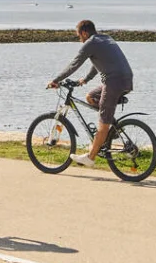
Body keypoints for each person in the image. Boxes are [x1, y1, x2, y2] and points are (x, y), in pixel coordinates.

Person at [47, 20, 133, 168]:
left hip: (113, 83)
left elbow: (74, 64)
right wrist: (85, 79)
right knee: (90, 97)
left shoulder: (90, 43)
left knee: (102, 123)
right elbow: (97, 63)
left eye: (79, 36)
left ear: (85, 33)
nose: (79, 39)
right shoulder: (105, 38)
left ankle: (91, 157)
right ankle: (108, 134)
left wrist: (56, 80)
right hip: (125, 80)